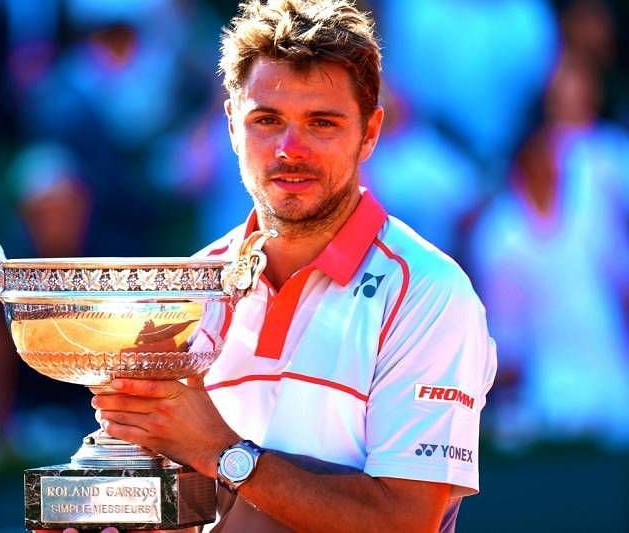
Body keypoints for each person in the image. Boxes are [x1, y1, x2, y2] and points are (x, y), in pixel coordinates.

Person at [39, 1, 496, 531]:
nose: (289, 149)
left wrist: (221, 451)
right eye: (266, 120)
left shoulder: (429, 293)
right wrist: (108, 514)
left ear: (370, 133)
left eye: (321, 123)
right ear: (231, 125)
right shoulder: (192, 285)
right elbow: (182, 504)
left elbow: (405, 521)